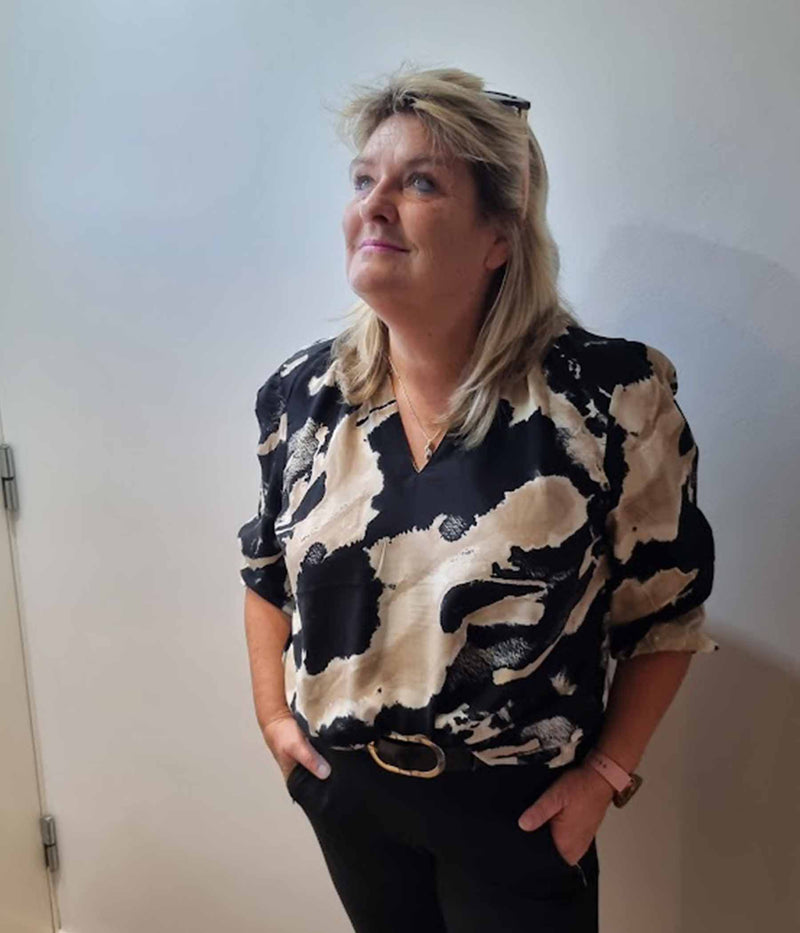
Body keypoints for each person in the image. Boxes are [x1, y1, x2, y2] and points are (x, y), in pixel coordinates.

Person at [237, 66, 718, 933]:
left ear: (500, 235)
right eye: (363, 180)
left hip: (519, 814)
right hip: (349, 797)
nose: (374, 205)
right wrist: (277, 722)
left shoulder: (608, 398)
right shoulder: (302, 398)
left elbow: (666, 613)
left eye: (420, 182)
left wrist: (606, 775)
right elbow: (266, 575)